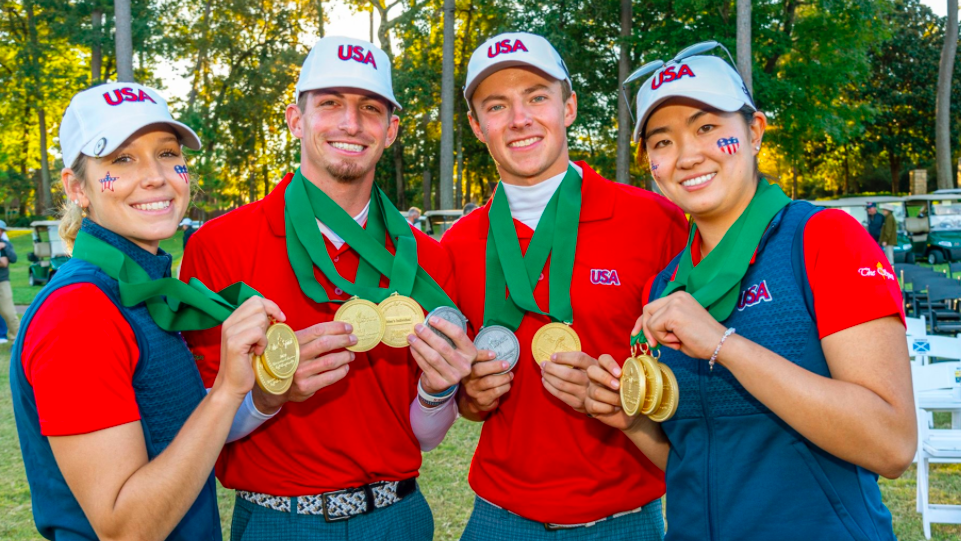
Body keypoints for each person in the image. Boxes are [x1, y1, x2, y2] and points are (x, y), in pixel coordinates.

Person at [582, 44, 916, 541]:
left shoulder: (825, 239)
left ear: (755, 132)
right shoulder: (666, 286)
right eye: (662, 141)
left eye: (707, 127)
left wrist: (725, 346)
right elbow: (690, 457)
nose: (688, 154)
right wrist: (630, 422)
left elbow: (891, 444)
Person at [180, 36, 483, 540]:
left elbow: (426, 440)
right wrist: (272, 391)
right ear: (296, 120)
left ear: (391, 131)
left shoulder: (429, 259)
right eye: (330, 104)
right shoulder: (219, 245)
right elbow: (203, 427)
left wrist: (437, 390)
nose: (350, 123)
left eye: (369, 108)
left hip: (398, 517)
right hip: (278, 522)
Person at [442, 32, 688, 539]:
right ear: (475, 125)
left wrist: (629, 398)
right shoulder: (458, 244)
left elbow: (700, 376)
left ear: (569, 106)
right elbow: (458, 392)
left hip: (624, 519)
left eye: (537, 96)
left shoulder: (654, 220)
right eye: (496, 105)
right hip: (499, 517)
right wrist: (470, 396)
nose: (519, 118)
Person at [10, 82, 282, 541]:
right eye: (122, 159)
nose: (155, 176)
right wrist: (226, 390)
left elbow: (173, 435)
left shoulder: (138, 290)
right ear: (78, 188)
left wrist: (264, 396)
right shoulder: (80, 313)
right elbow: (125, 529)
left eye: (168, 153)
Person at [0, 219, 20, 341]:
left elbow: (12, 259)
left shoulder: (5, 244)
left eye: (1, 231)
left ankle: (17, 340)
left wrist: (5, 247)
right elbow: (3, 262)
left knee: (9, 313)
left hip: (2, 282)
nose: (0, 233)